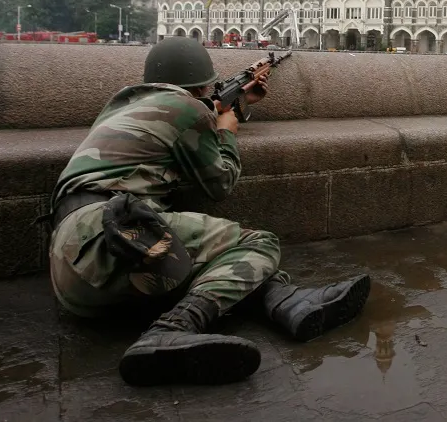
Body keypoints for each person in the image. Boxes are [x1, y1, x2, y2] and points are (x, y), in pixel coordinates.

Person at [48, 37, 371, 387]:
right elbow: (220, 183)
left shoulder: (123, 106)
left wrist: (240, 104)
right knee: (259, 244)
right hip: (113, 238)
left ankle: (287, 302)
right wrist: (227, 131)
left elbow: (181, 129)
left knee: (217, 260)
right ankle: (172, 330)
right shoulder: (189, 108)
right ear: (200, 83)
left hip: (78, 266)